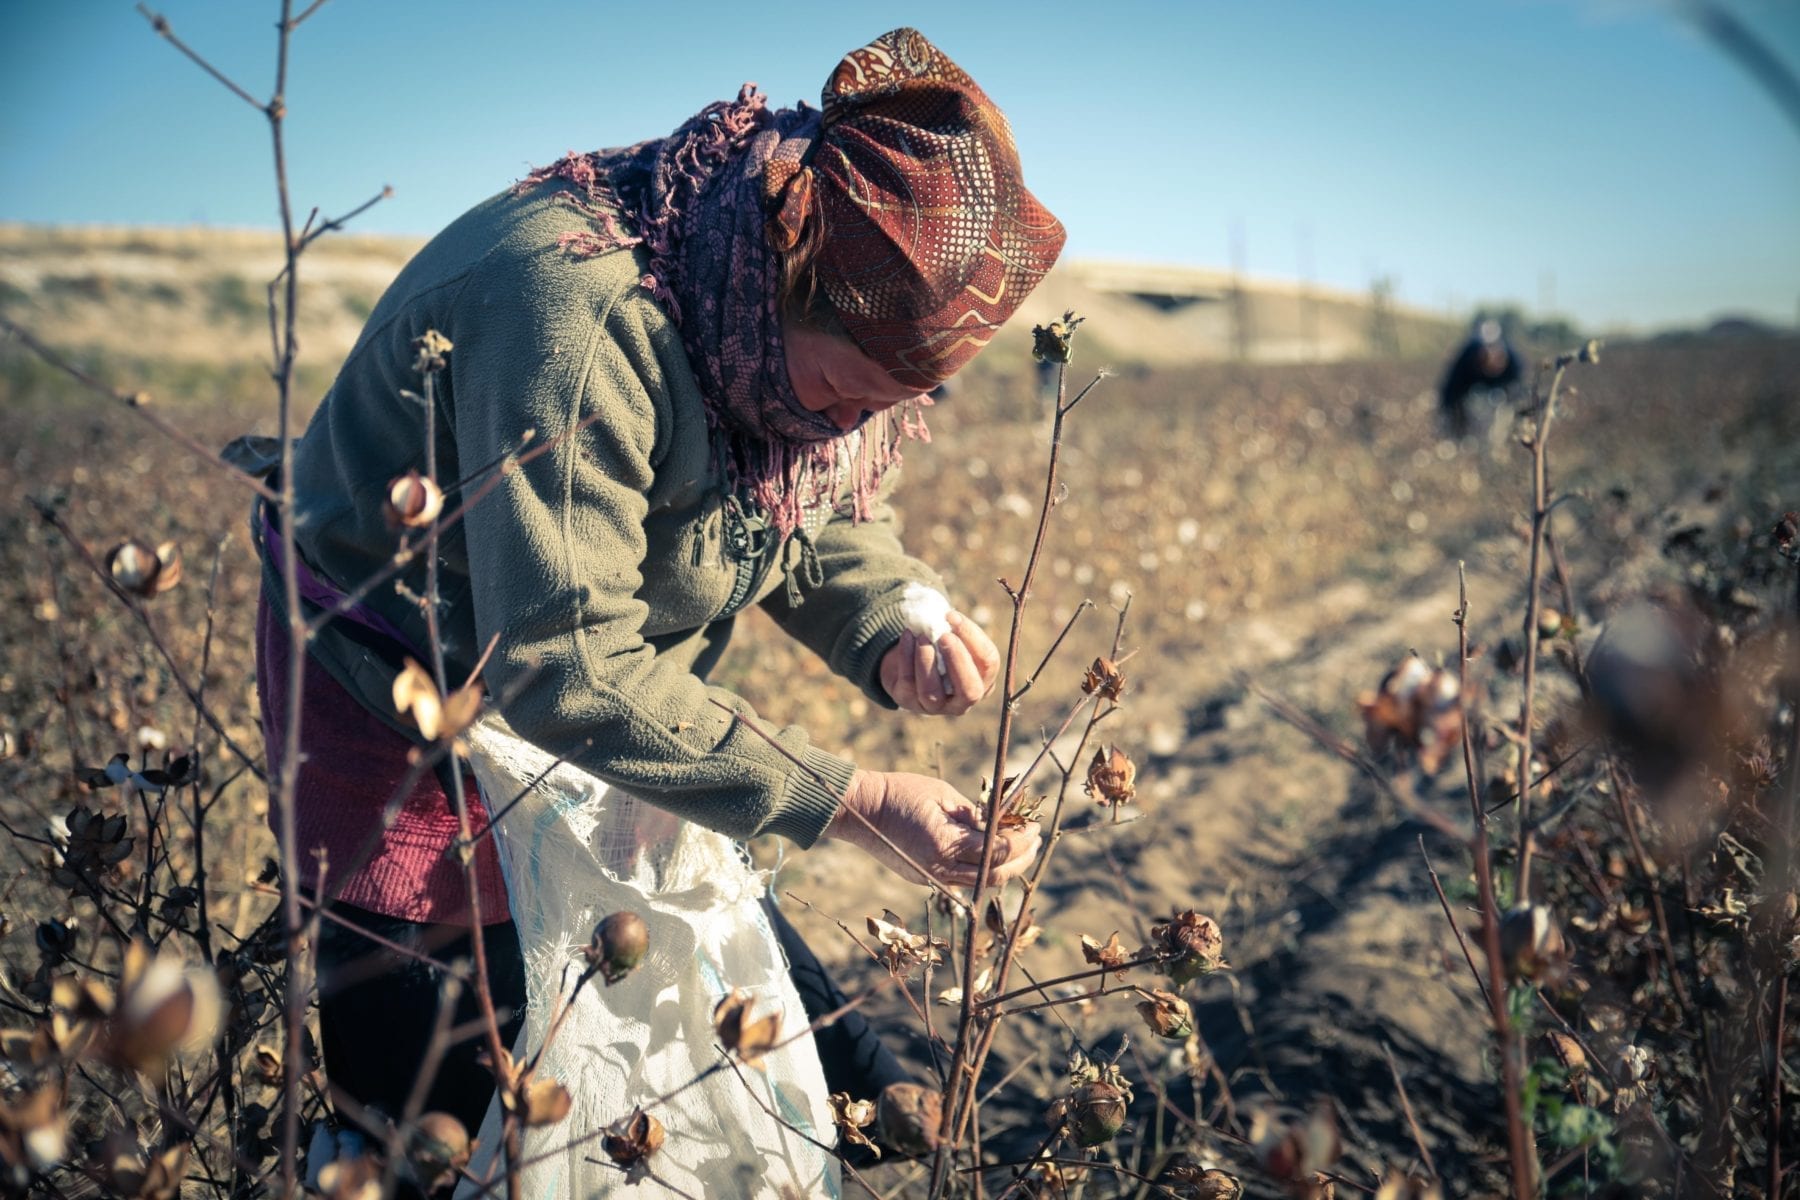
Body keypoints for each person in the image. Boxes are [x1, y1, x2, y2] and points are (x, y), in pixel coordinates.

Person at [251, 26, 1061, 1194]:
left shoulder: (783, 326)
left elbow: (802, 491)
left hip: (595, 680)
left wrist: (893, 621)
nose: (845, 432)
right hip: (395, 672)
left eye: (882, 410)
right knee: (442, 1111)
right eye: (841, 394)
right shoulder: (578, 317)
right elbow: (566, 665)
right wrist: (856, 801)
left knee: (749, 1010)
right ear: (778, 280)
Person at [1438, 316, 1524, 440]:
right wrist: (1452, 417)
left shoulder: (1513, 362)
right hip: (1474, 397)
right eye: (1484, 360)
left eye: (1496, 360)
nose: (1491, 362)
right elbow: (1451, 390)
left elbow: (1519, 390)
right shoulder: (1465, 360)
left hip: (1501, 396)